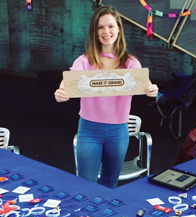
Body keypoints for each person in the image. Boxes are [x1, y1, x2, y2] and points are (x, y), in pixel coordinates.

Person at [54, 5, 158, 188]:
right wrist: (61, 91)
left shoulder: (131, 63)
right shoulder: (84, 61)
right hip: (89, 130)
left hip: (118, 131)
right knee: (87, 185)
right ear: (95, 31)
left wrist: (152, 90)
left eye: (110, 26)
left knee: (110, 185)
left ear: (118, 28)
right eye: (100, 27)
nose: (106, 31)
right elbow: (69, 80)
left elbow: (146, 84)